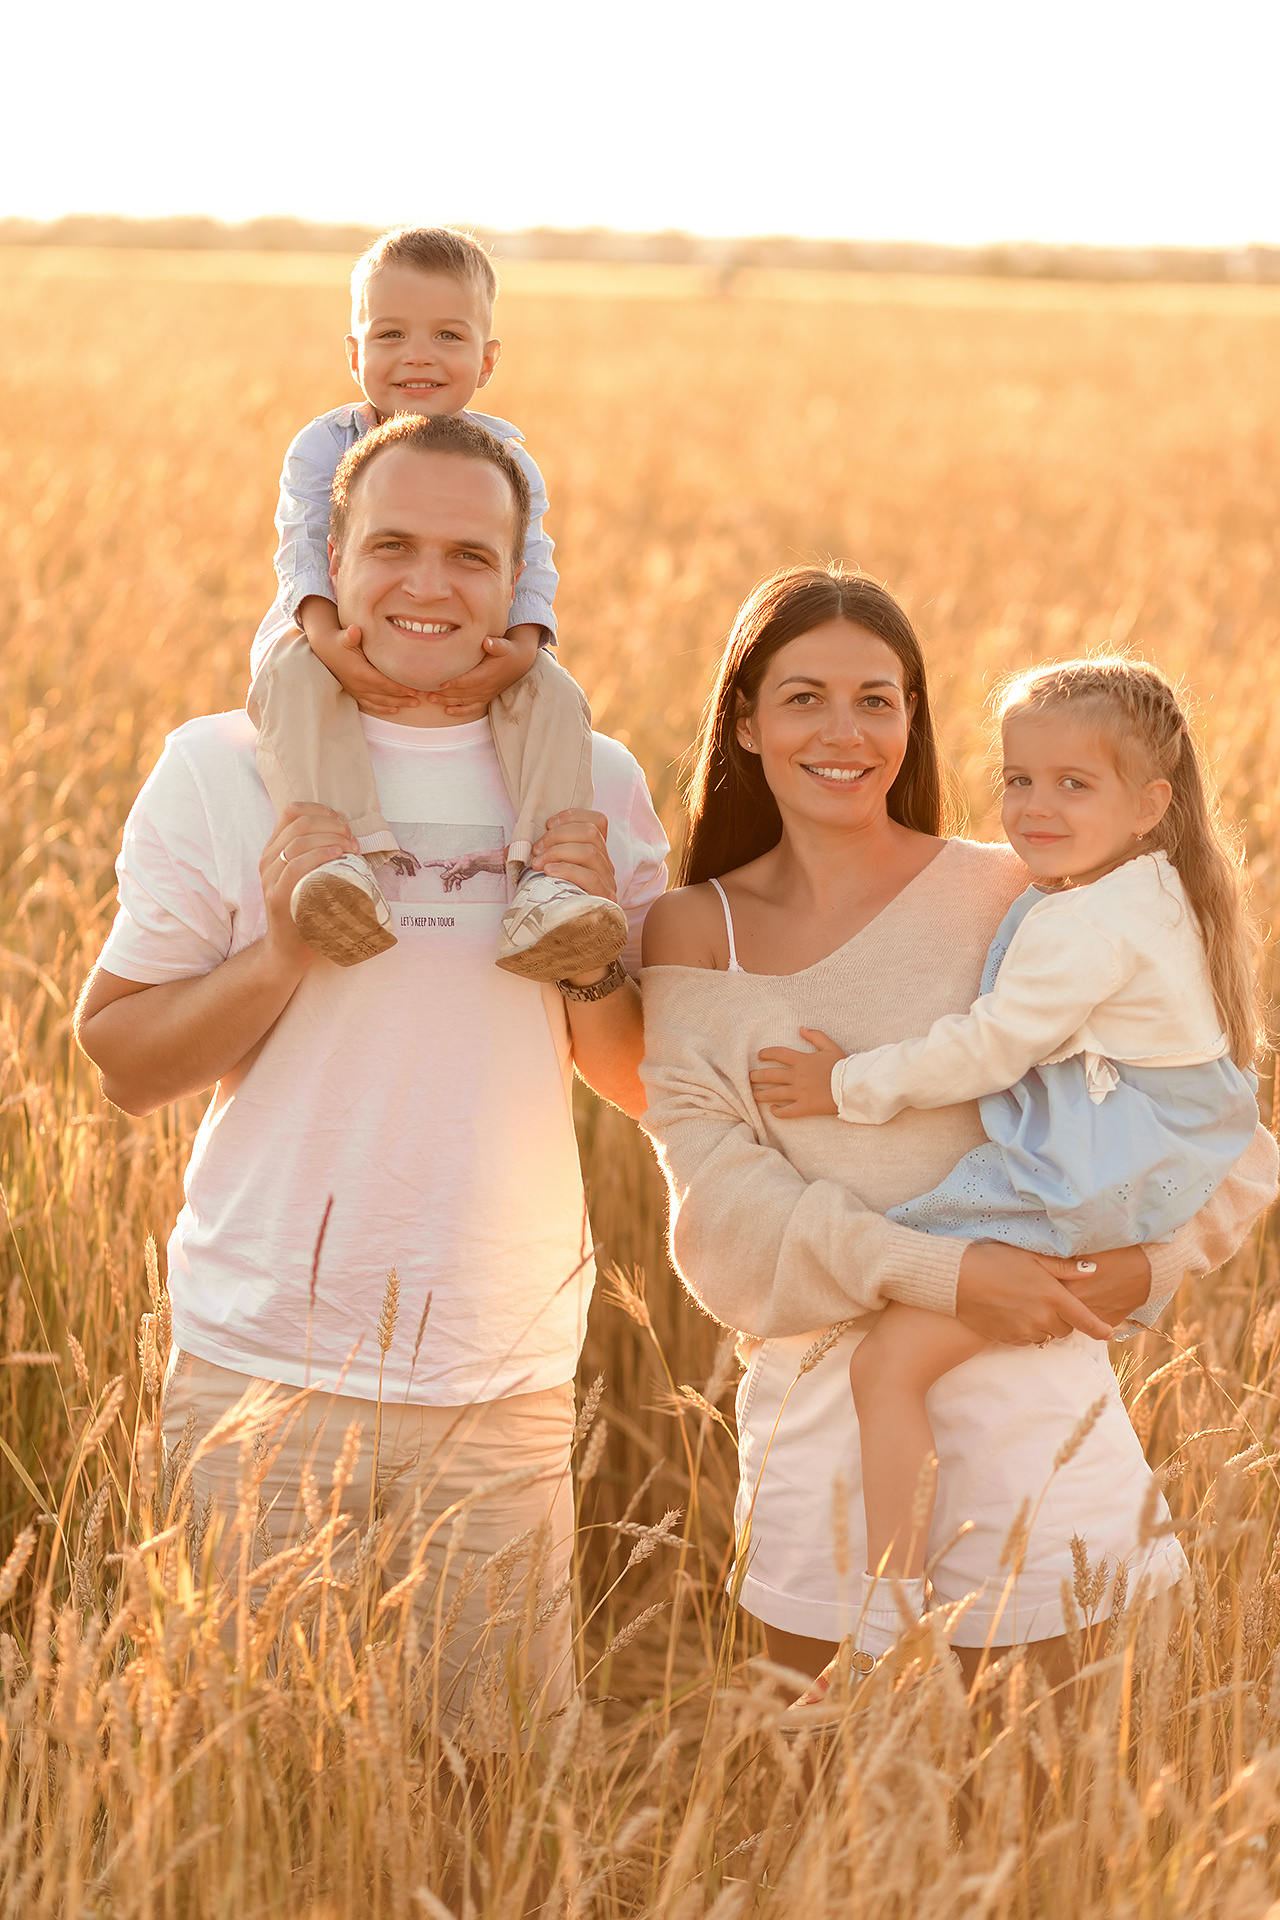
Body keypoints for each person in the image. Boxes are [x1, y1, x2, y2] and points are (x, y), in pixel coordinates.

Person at [75, 412, 669, 1725]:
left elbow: (637, 1082)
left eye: (470, 554)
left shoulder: (595, 782)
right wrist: (283, 952)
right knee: (257, 1777)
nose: (425, 583)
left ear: (520, 584)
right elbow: (119, 1056)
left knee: (497, 1793)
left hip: (499, 1371)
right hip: (261, 1373)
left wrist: (588, 966)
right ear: (330, 560)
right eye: (391, 544)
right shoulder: (224, 768)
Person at [639, 566, 1276, 1693]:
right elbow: (723, 1211)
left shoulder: (1019, 893)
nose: (844, 732)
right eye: (802, 698)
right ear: (742, 720)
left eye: (877, 700)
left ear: (911, 721)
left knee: (1039, 1812)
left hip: (1033, 1384)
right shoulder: (694, 931)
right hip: (822, 1410)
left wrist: (1142, 1265)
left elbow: (1218, 1135)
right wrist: (942, 1273)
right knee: (829, 1801)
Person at [248, 223, 627, 980]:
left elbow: (533, 563)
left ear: (486, 362)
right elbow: (304, 549)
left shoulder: (508, 460)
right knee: (290, 682)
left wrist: (520, 650)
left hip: (475, 641)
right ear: (354, 354)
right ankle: (340, 864)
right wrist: (331, 646)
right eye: (391, 333)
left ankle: (549, 883)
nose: (417, 355)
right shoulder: (323, 445)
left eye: (447, 335)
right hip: (323, 628)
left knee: (554, 694)